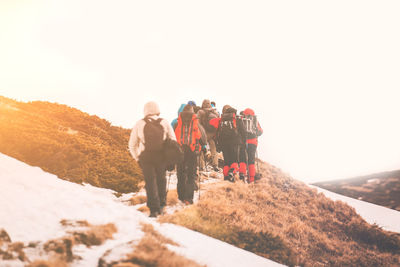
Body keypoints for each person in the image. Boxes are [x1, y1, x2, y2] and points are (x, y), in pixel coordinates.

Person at [128, 101, 176, 217]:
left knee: (150, 182)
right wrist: (171, 159)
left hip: (146, 157)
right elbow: (173, 141)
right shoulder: (164, 122)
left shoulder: (140, 123)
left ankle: (153, 209)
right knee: (161, 180)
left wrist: (138, 158)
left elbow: (132, 145)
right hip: (161, 156)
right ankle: (161, 205)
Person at [175, 104, 207, 204]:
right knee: (191, 175)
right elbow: (203, 139)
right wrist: (203, 147)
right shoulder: (196, 122)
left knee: (180, 173)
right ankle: (188, 198)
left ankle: (181, 196)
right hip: (192, 150)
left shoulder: (177, 123)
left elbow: (172, 137)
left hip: (180, 150)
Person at [211, 105, 245, 182]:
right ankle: (231, 172)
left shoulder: (221, 120)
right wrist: (243, 142)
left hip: (224, 143)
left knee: (227, 162)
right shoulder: (237, 119)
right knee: (235, 161)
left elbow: (217, 133)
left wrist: (218, 145)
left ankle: (226, 178)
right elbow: (243, 132)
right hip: (234, 143)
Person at [238, 108, 263, 183]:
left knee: (242, 158)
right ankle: (251, 179)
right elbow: (260, 131)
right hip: (253, 142)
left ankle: (242, 175)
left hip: (243, 142)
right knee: (251, 160)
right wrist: (255, 134)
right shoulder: (255, 120)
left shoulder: (241, 119)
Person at [197, 99, 220, 172]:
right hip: (212, 133)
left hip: (204, 133)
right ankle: (215, 165)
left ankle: (201, 165)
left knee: (200, 148)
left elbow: (197, 123)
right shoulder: (215, 112)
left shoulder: (200, 112)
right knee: (213, 148)